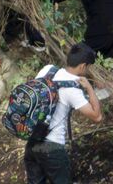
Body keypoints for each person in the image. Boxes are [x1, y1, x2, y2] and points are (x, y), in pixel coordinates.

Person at [24, 43, 103, 183]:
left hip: (32, 139)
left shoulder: (47, 70)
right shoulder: (72, 90)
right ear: (83, 66)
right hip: (52, 146)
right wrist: (90, 88)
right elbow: (97, 116)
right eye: (89, 67)